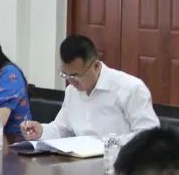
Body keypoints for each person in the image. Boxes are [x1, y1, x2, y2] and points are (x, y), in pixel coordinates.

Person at [20, 35, 158, 142]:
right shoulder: (72, 92)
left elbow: (149, 134)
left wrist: (107, 143)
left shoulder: (130, 88)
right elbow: (62, 129)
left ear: (96, 66)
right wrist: (41, 131)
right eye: (66, 74)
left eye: (76, 75)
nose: (71, 81)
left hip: (120, 163)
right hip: (79, 163)